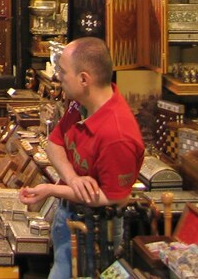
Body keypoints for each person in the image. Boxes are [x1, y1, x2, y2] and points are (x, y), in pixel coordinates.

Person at [18, 37, 144, 279]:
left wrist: (52, 190)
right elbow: (55, 143)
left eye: (63, 72)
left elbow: (111, 197)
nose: (57, 77)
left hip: (96, 234)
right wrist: (73, 178)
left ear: (84, 79)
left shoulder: (117, 134)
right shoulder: (80, 105)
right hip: (70, 220)